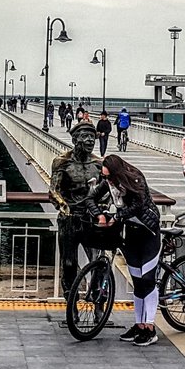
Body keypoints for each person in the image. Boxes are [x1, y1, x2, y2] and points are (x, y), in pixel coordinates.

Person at [95, 154, 163, 346]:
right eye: (104, 176)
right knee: (138, 282)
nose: (107, 180)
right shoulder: (109, 183)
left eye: (109, 176)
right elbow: (92, 197)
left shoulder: (135, 178)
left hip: (148, 232)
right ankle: (139, 325)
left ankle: (150, 327)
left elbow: (138, 204)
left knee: (148, 280)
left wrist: (117, 217)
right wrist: (98, 213)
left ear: (117, 173)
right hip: (131, 234)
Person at [50, 125, 106, 295]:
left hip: (91, 218)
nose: (90, 140)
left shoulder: (98, 164)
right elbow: (53, 191)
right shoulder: (62, 162)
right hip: (70, 219)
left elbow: (107, 190)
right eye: (85, 136)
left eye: (92, 137)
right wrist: (63, 205)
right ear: (75, 140)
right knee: (69, 263)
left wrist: (103, 205)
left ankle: (98, 297)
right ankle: (70, 299)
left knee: (97, 260)